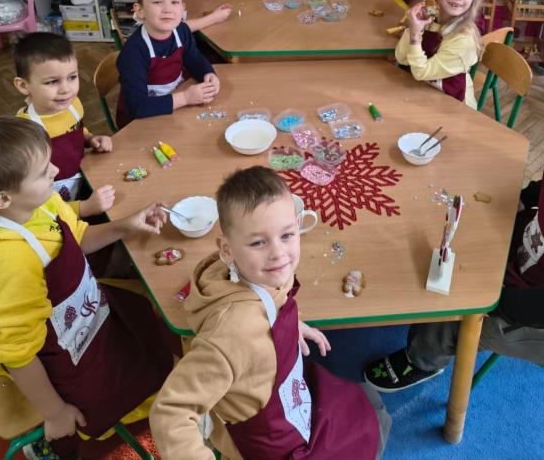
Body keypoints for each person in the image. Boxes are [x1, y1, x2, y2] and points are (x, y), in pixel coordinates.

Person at [365, 75, 544, 393]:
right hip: (537, 266)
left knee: (456, 315)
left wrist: (494, 302)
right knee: (461, 244)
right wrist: (520, 200)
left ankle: (422, 359)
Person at [150, 167, 391, 460]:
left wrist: (290, 324)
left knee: (366, 409)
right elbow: (171, 412)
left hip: (288, 396)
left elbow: (265, 303)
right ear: (227, 250)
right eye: (258, 242)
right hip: (268, 441)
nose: (278, 252)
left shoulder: (254, 273)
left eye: (286, 235)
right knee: (369, 423)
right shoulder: (233, 333)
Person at [0, 117, 173, 460]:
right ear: (1, 199)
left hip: (88, 312)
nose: (57, 171)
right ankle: (50, 447)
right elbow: (18, 355)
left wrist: (126, 226)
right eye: (43, 172)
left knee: (147, 339)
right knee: (118, 391)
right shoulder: (9, 261)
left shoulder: (42, 205)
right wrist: (55, 412)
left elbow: (78, 238)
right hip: (56, 353)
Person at [13, 33, 114, 216]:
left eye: (72, 77)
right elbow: (35, 204)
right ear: (23, 86)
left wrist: (90, 139)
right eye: (52, 81)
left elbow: (77, 129)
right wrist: (84, 208)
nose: (66, 89)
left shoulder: (73, 105)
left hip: (83, 175)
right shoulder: (25, 130)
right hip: (52, 198)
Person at [115, 0, 220, 128]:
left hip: (174, 102)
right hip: (140, 121)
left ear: (182, 8)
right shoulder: (133, 53)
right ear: (140, 10)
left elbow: (194, 59)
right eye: (158, 2)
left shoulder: (182, 31)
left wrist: (208, 73)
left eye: (174, 2)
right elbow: (137, 107)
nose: (168, 9)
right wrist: (185, 98)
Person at [394, 0, 487, 108]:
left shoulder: (464, 39)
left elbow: (421, 72)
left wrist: (415, 36)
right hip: (423, 91)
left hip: (453, 104)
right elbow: (402, 58)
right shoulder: (431, 17)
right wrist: (413, 28)